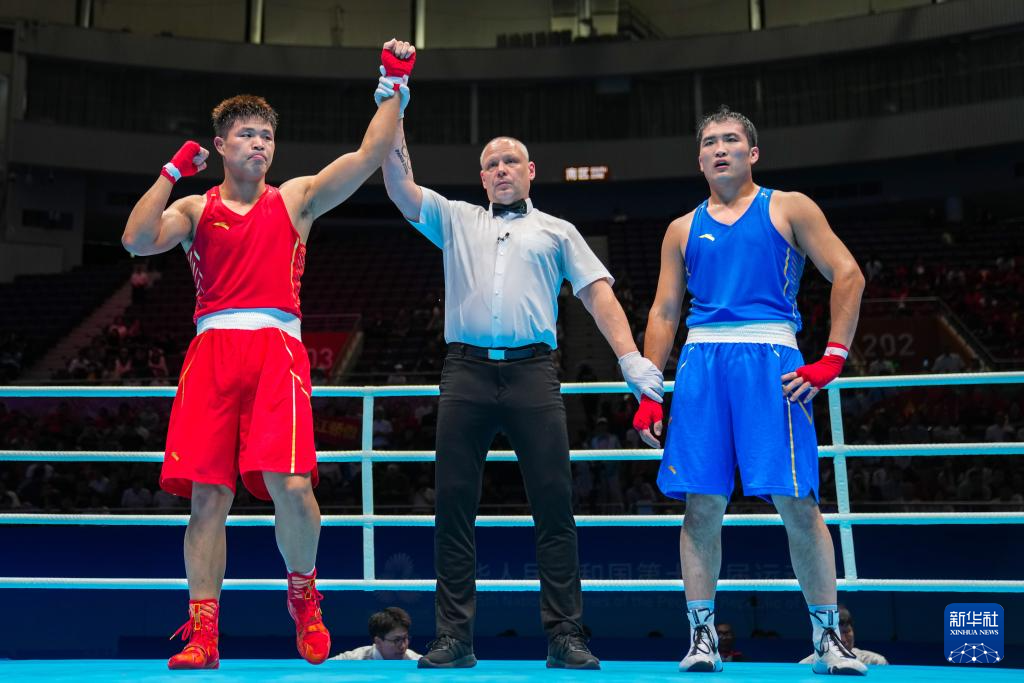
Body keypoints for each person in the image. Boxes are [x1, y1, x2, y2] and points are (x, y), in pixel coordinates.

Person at [120, 40, 414, 670]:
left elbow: (367, 156)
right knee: (208, 498)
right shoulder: (196, 208)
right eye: (247, 135)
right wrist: (171, 172)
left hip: (277, 349)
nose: (259, 144)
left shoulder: (296, 198)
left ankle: (304, 595)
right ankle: (203, 634)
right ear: (221, 145)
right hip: (212, 351)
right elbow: (137, 240)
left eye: (266, 136)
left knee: (294, 487)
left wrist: (393, 86)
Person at [380, 73, 663, 669]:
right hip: (465, 373)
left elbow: (598, 295)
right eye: (492, 163)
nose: (502, 168)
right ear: (482, 177)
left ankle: (565, 636)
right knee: (452, 508)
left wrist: (630, 358)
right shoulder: (456, 218)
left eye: (511, 160)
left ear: (530, 171)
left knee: (554, 507)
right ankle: (454, 639)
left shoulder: (557, 230)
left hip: (534, 373)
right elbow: (400, 186)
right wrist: (395, 106)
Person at [632, 106, 867, 675]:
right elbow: (664, 311)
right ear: (699, 160)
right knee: (701, 504)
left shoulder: (789, 207)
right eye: (710, 142)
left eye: (731, 139)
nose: (720, 148)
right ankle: (702, 638)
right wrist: (648, 390)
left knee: (798, 502)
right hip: (701, 362)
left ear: (752, 152)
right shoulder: (681, 228)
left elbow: (848, 273)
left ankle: (828, 639)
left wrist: (833, 356)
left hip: (771, 359)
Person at [800, 606, 888, 666]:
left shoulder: (875, 662)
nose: (842, 640)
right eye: (836, 634)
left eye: (846, 632)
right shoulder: (806, 665)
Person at [331, 606, 422, 661]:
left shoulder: (415, 661)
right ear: (378, 641)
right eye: (397, 640)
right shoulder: (355, 659)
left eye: (405, 638)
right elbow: (324, 668)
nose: (403, 646)